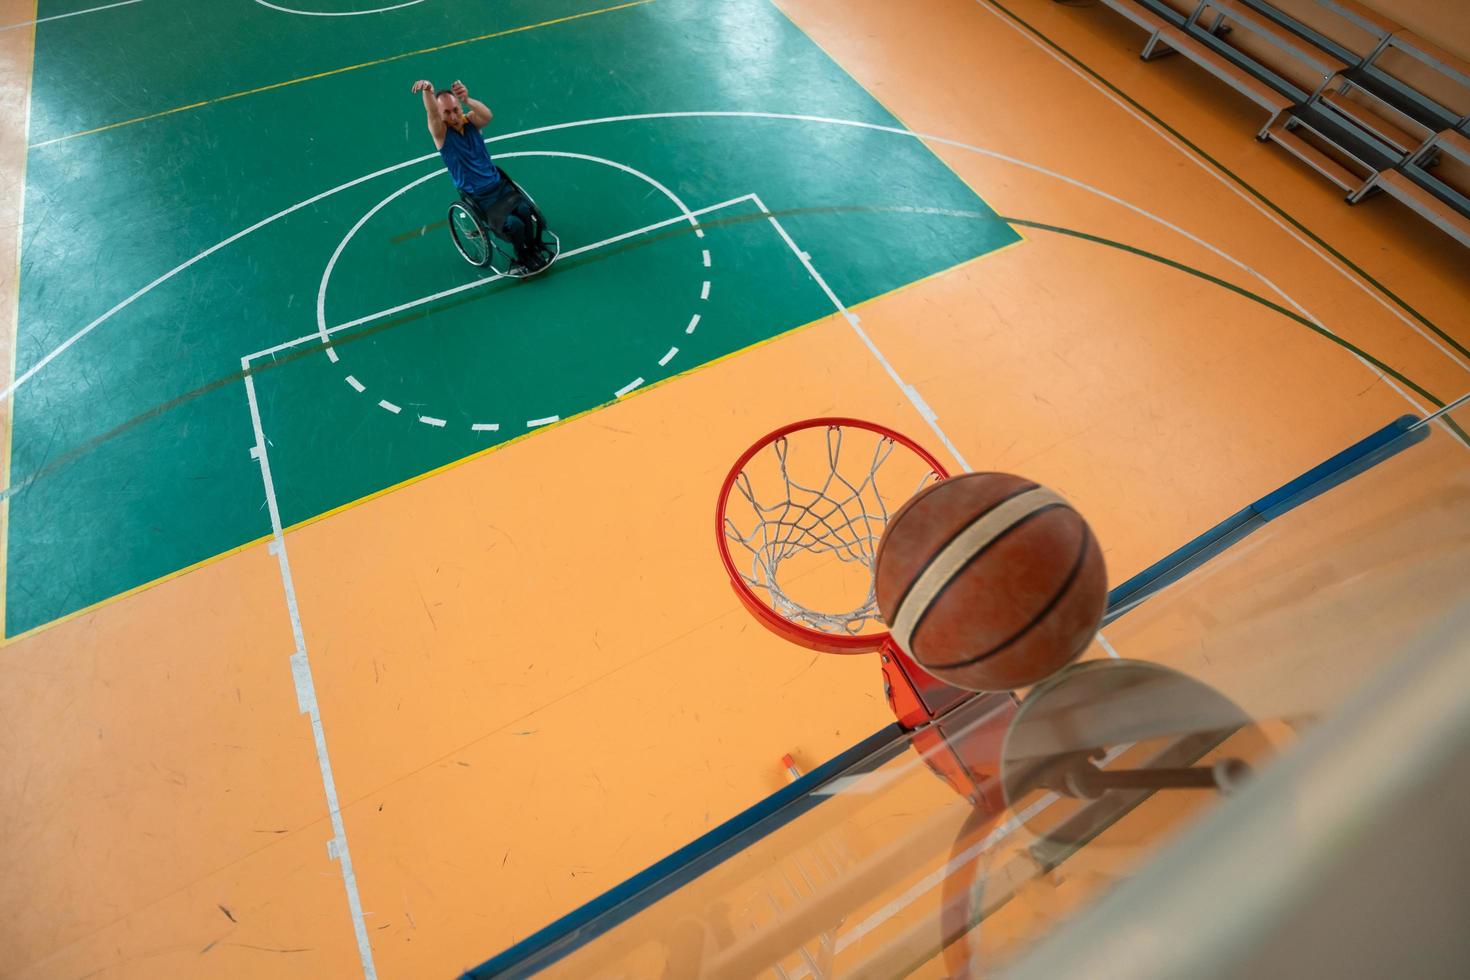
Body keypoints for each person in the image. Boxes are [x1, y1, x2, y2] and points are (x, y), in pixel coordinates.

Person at [412, 79, 549, 273]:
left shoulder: (472, 122)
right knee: (514, 225)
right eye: (447, 112)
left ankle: (533, 248)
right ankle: (522, 256)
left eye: (455, 109)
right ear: (441, 116)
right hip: (480, 198)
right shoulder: (442, 135)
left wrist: (467, 99)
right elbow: (432, 113)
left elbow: (488, 115)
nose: (453, 116)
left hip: (500, 186)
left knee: (526, 211)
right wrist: (428, 92)